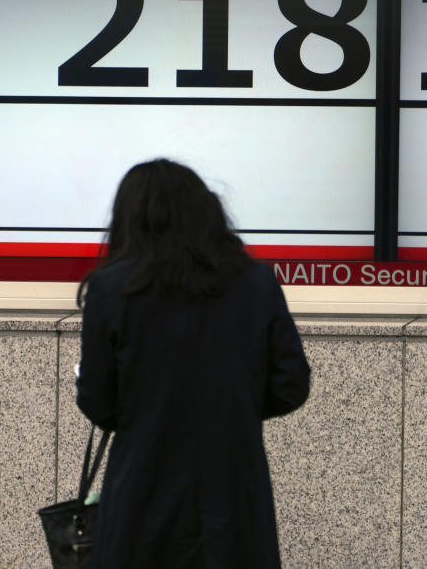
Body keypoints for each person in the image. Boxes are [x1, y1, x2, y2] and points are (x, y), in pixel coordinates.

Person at [76, 158, 310, 569]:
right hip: (233, 494)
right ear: (206, 212)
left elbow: (98, 402)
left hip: (142, 496)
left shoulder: (111, 288)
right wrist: (235, 404)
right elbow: (290, 385)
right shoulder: (256, 282)